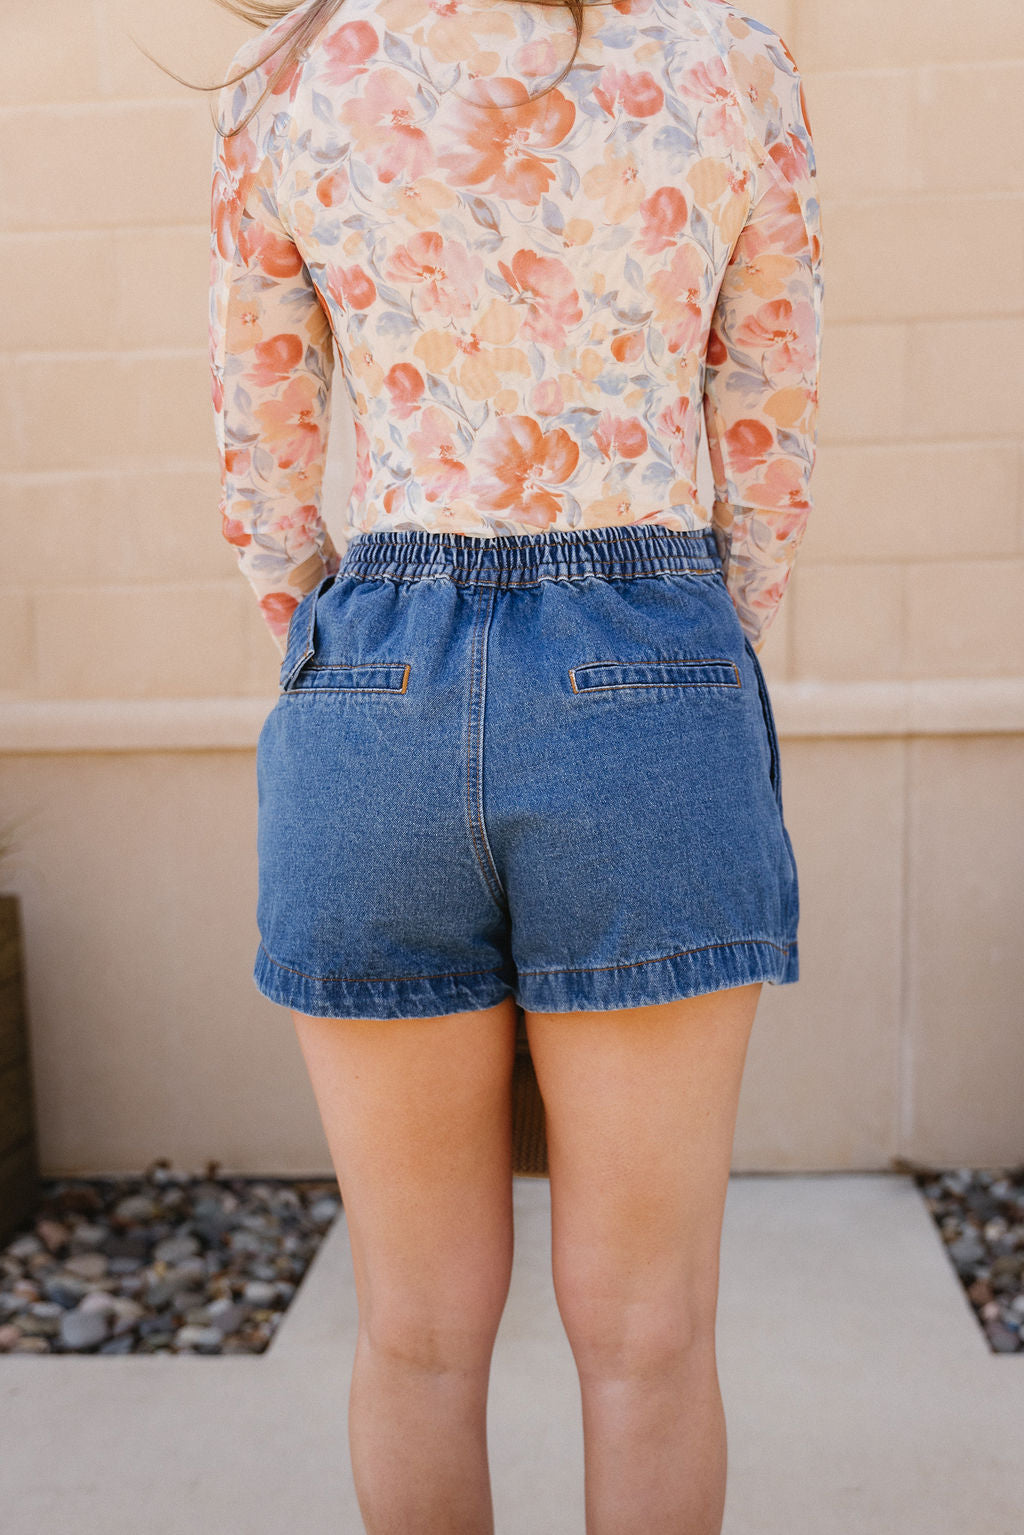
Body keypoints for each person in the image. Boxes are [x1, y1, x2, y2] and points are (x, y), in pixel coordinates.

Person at [204, 0, 823, 1529]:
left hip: (376, 691)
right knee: (650, 1339)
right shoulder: (732, 62)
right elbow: (768, 434)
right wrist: (682, 650)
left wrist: (353, 659)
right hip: (651, 659)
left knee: (412, 1336)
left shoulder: (288, 79)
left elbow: (264, 469)